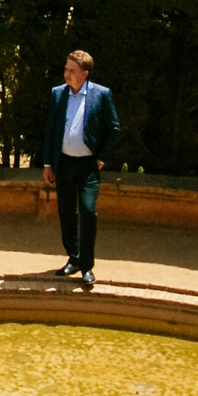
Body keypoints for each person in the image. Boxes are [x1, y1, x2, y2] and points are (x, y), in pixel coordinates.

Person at [40, 50, 117, 289]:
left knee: (87, 210)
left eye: (71, 70)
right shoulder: (57, 94)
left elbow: (114, 128)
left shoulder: (101, 95)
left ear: (84, 74)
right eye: (65, 69)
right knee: (66, 212)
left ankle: (87, 266)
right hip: (63, 163)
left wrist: (102, 159)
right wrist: (47, 164)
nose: (66, 74)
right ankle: (73, 259)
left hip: (88, 165)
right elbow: (52, 130)